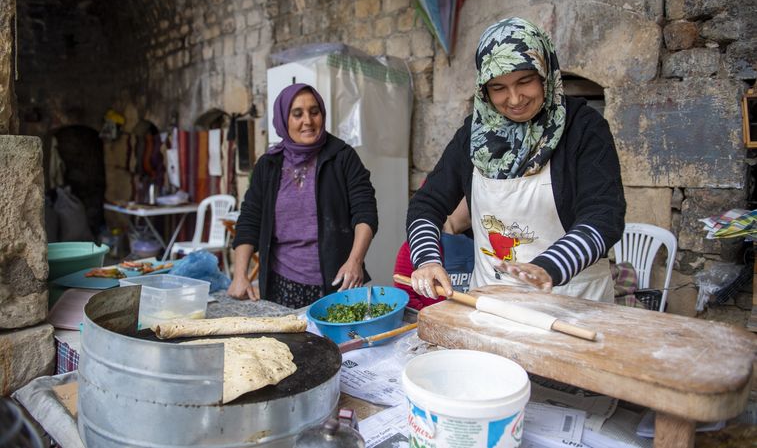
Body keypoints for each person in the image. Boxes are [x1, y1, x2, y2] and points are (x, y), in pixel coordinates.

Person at [407, 17, 626, 303]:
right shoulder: (473, 135)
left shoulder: (584, 128)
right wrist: (427, 260)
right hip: (492, 301)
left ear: (544, 74)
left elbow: (603, 216)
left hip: (573, 301)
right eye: (498, 87)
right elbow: (426, 204)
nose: (514, 99)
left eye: (524, 81)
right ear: (484, 90)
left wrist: (549, 266)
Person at [228, 83, 378, 308]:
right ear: (283, 119)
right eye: (297, 114)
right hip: (281, 286)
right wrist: (240, 275)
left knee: (339, 344)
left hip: (338, 283)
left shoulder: (343, 158)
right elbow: (250, 219)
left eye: (314, 112)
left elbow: (365, 212)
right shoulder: (268, 165)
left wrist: (355, 261)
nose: (308, 120)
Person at [394, 197, 474, 310]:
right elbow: (404, 295)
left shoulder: (478, 243)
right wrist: (430, 317)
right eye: (470, 199)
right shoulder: (415, 247)